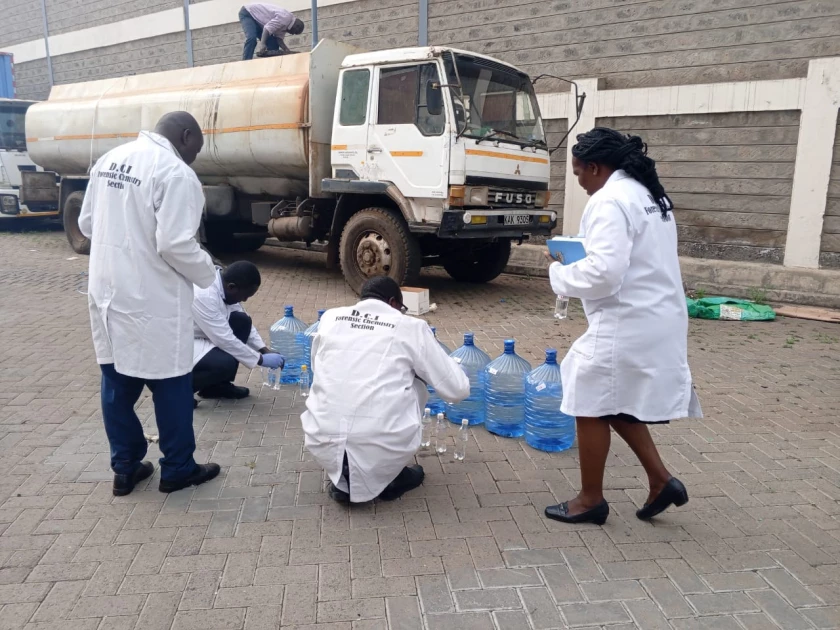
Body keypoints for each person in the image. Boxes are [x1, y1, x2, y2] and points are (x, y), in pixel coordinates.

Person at [544, 127, 702, 525]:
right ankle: (661, 480)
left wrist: (559, 274)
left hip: (627, 318)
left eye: (579, 172)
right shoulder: (647, 193)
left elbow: (604, 273)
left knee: (586, 395)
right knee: (612, 398)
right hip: (656, 314)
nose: (578, 181)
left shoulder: (609, 200)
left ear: (595, 167)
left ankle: (590, 500)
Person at [79, 111, 222, 497]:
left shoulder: (110, 160)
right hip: (153, 298)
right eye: (197, 148)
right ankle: (177, 469)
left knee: (116, 381)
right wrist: (210, 274)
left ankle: (125, 468)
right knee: (171, 384)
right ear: (187, 135)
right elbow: (175, 244)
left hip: (107, 292)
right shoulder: (175, 172)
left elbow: (88, 225)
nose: (195, 157)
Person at [301, 276, 470, 504]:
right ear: (393, 302)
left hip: (320, 435)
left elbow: (316, 367)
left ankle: (345, 472)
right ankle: (392, 477)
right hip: (382, 440)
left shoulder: (331, 317)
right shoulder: (411, 327)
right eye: (401, 308)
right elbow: (457, 390)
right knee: (415, 383)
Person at [192, 260, 285, 403]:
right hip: (181, 341)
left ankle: (215, 387)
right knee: (224, 363)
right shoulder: (205, 295)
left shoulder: (225, 286)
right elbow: (224, 339)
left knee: (242, 321)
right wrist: (260, 359)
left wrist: (264, 350)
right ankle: (177, 393)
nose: (245, 300)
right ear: (232, 287)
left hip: (205, 333)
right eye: (245, 295)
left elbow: (243, 322)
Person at [239, 3, 305, 60]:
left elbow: (279, 39)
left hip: (260, 22)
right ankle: (246, 62)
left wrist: (287, 51)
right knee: (252, 38)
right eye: (295, 32)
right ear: (296, 26)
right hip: (248, 13)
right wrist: (263, 44)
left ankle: (269, 65)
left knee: (273, 44)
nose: (292, 34)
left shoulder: (286, 25)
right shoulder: (285, 18)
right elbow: (267, 29)